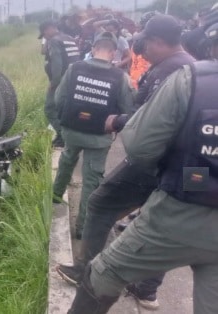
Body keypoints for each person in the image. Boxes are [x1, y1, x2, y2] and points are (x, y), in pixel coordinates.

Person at [67, 20, 218, 314]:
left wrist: (184, 171)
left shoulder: (193, 79)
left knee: (103, 273)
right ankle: (148, 291)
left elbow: (141, 146)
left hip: (181, 210)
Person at [51, 31, 134, 239]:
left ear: (94, 49)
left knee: (67, 160)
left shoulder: (74, 68)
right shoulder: (120, 77)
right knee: (91, 181)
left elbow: (59, 99)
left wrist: (64, 125)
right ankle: (82, 229)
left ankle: (54, 199)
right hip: (99, 137)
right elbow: (127, 109)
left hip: (72, 131)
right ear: (113, 52)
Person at [38, 20, 80, 148]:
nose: (44, 37)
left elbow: (57, 63)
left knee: (50, 109)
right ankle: (69, 136)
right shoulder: (69, 38)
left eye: (43, 34)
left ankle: (62, 137)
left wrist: (54, 83)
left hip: (61, 81)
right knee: (64, 110)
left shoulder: (54, 41)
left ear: (47, 29)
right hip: (73, 79)